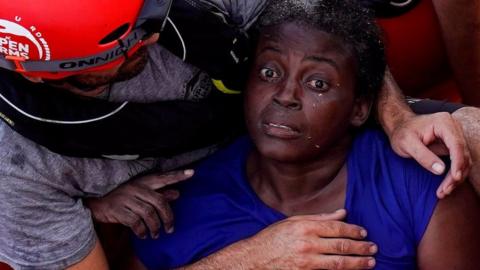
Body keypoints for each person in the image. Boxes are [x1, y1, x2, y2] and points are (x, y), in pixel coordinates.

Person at [0, 0, 476, 269]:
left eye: (149, 15)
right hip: (192, 197)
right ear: (51, 71)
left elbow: (329, 36)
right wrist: (255, 259)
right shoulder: (16, 169)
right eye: (132, 38)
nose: (150, 33)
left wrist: (396, 116)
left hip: (322, 137)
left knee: (467, 134)